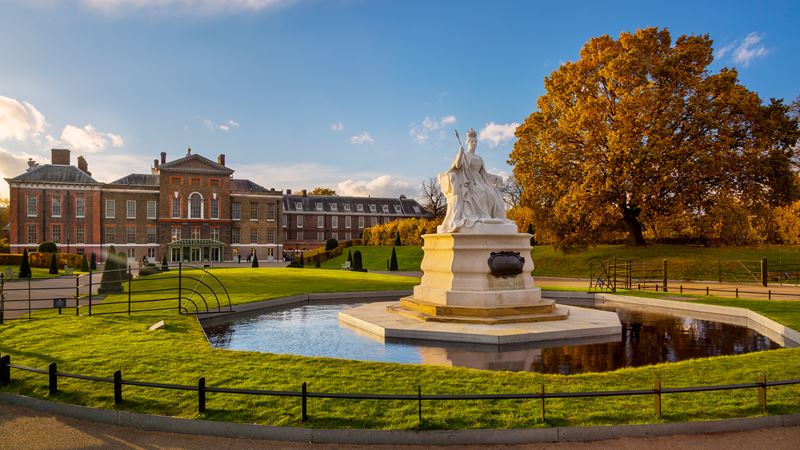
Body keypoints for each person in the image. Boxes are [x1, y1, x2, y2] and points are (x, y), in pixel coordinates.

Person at [438, 128, 508, 233]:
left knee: (490, 192)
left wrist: (497, 177)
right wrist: (460, 153)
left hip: (479, 180)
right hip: (468, 180)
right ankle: (483, 216)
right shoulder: (464, 155)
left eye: (475, 141)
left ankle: (490, 217)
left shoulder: (479, 158)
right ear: (467, 143)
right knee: (480, 191)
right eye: (472, 141)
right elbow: (457, 166)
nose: (474, 143)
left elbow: (484, 173)